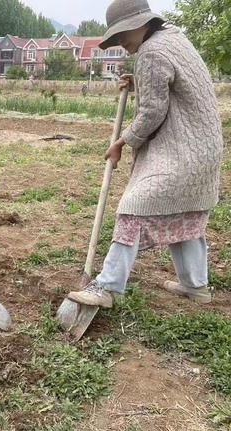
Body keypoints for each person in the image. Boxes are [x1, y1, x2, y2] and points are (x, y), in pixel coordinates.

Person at [67, 0, 223, 308]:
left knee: (132, 207)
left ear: (142, 23)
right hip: (205, 147)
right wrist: (140, 83)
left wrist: (122, 142)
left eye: (123, 34)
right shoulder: (174, 38)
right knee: (186, 210)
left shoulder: (152, 51)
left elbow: (152, 111)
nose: (121, 42)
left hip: (182, 149)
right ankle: (195, 285)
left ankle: (106, 287)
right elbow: (178, 86)